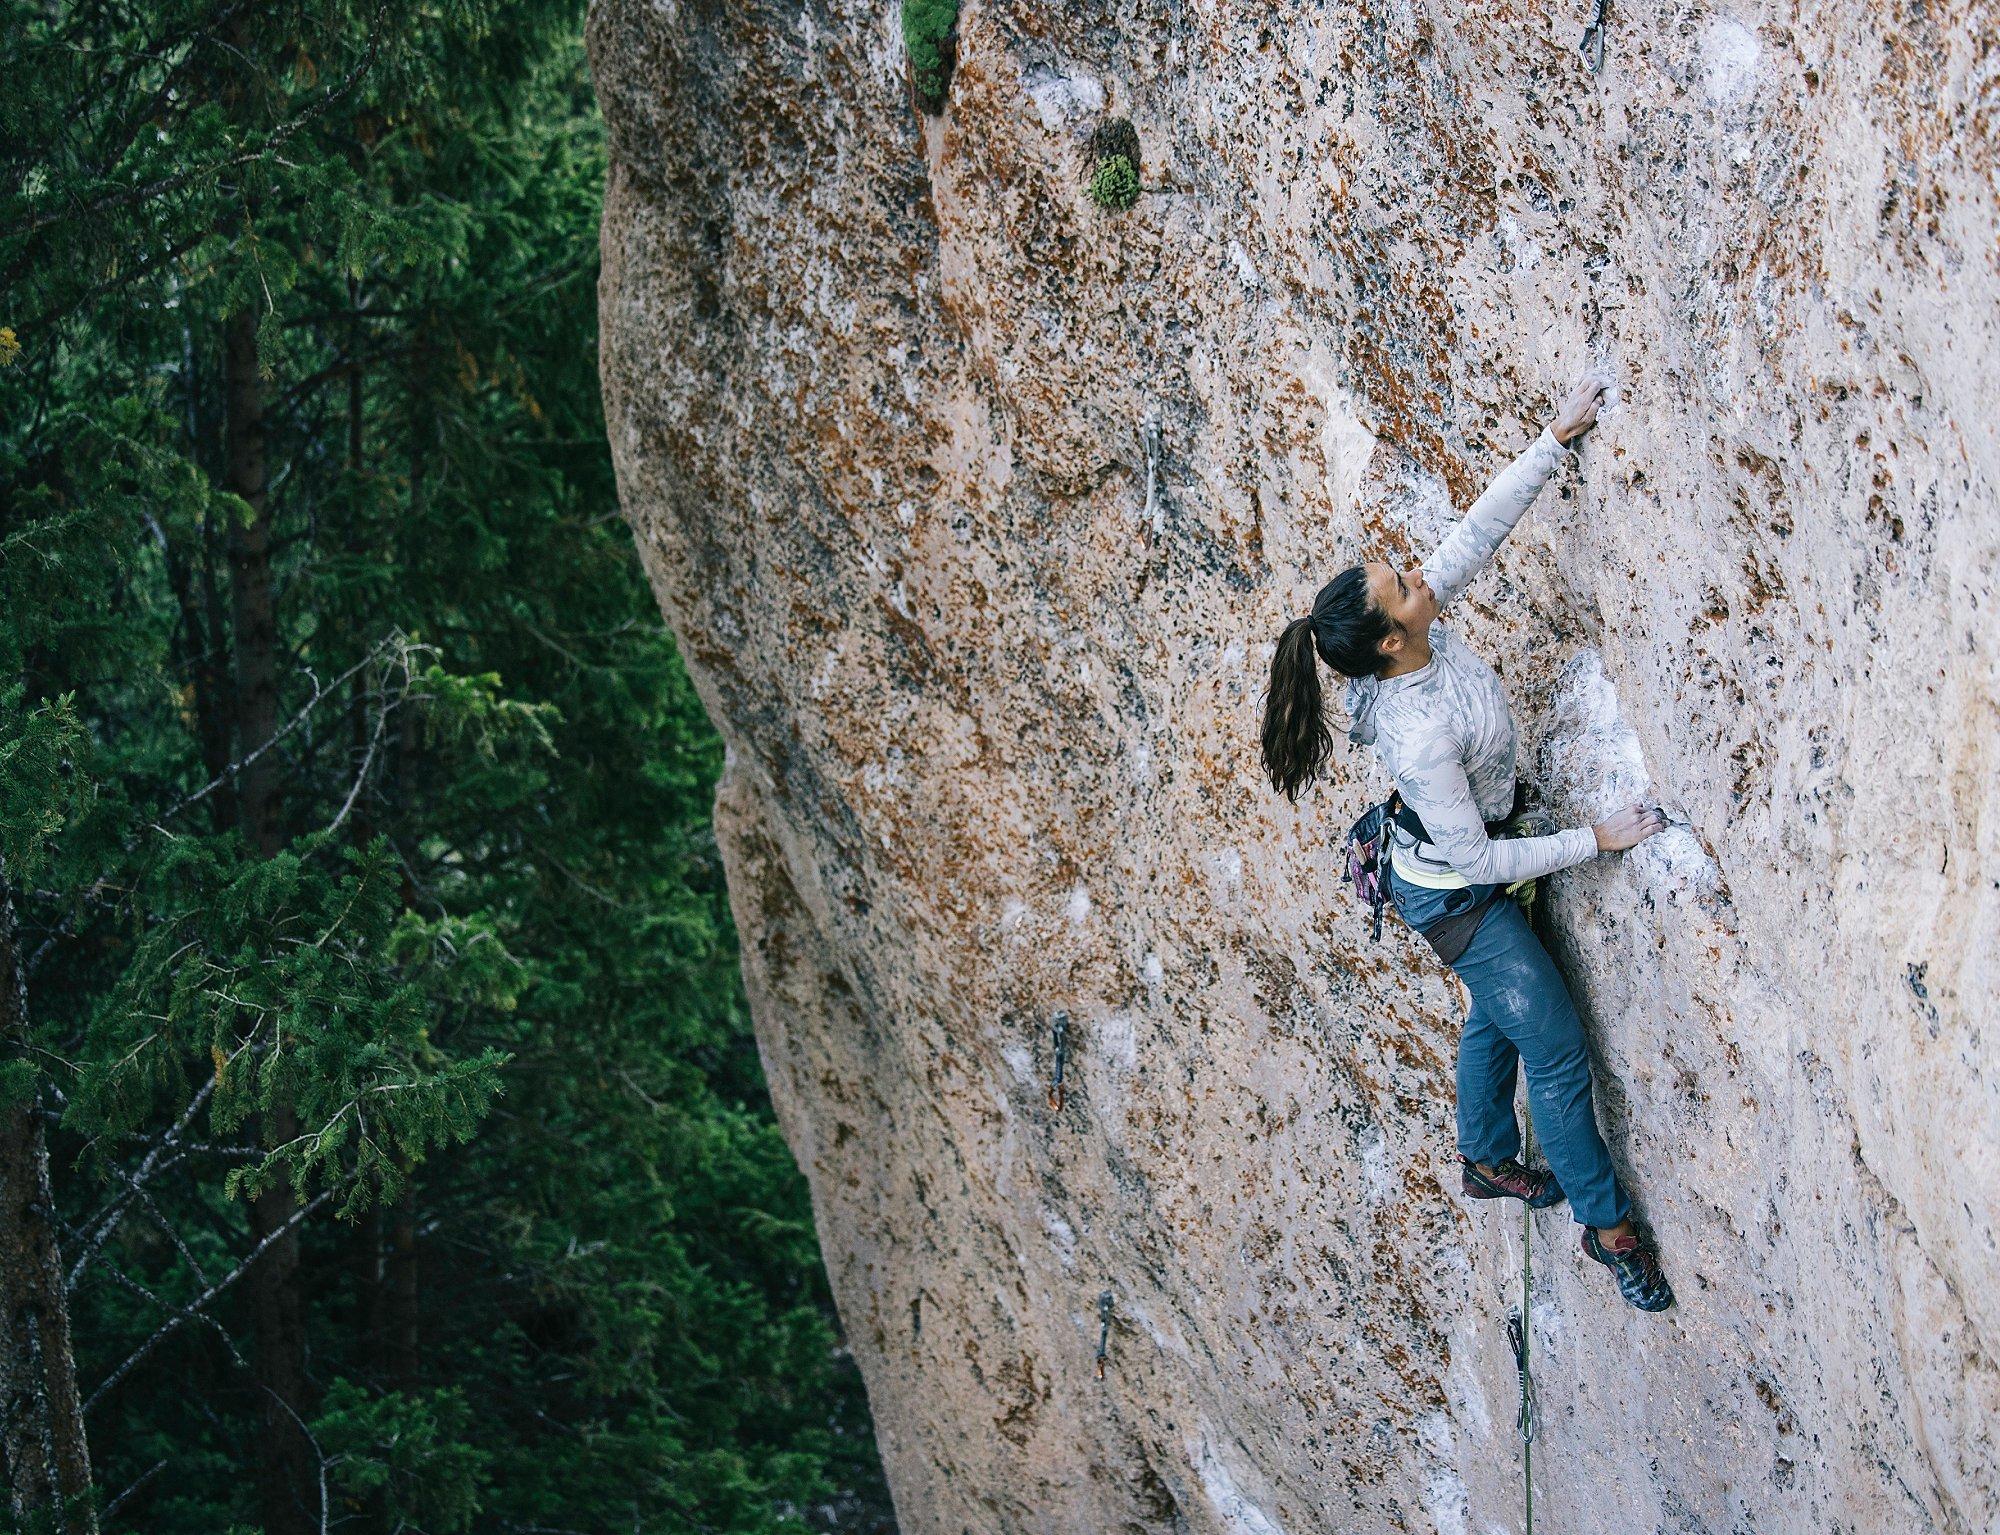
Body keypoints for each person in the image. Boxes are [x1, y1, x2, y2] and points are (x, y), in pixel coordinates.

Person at [1258, 365, 1675, 1312]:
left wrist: (1553, 440)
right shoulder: (1419, 731)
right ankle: (1610, 1232)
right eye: (1400, 584)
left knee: (1505, 1010)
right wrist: (1595, 838)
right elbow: (1481, 864)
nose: (1416, 572)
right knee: (1557, 1047)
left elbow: (1473, 534)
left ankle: (1487, 1157)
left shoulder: (1411, 636)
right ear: (1391, 640)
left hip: (1456, 854)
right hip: (1454, 889)